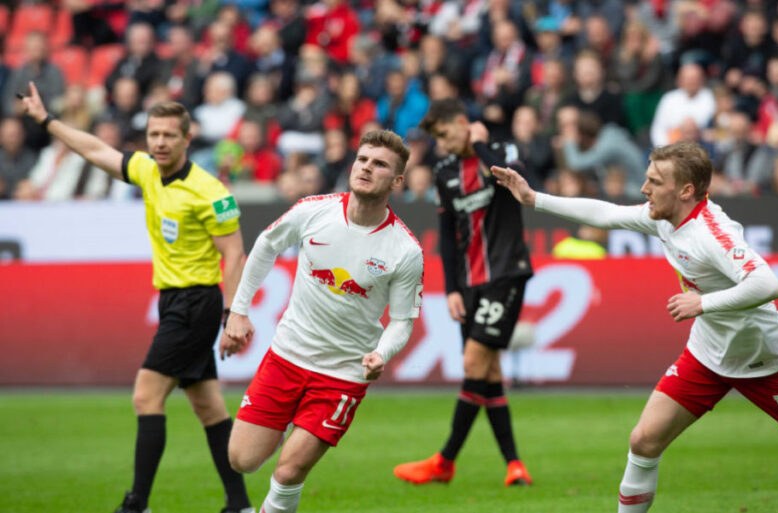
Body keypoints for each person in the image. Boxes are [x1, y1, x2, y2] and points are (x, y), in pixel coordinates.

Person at [491, 141, 778, 511]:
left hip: (764, 359)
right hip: (707, 355)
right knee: (644, 440)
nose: (644, 189)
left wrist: (703, 303)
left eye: (654, 181)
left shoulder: (712, 233)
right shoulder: (662, 217)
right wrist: (534, 198)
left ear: (685, 190)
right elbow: (607, 214)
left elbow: (768, 284)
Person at [18, 82, 253, 513]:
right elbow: (95, 150)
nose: (159, 142)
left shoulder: (211, 192)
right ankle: (238, 504)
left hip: (196, 303)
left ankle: (136, 504)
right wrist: (47, 120)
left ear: (187, 139)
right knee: (208, 407)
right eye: (153, 134)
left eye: (168, 135)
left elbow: (235, 253)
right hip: (174, 302)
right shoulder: (146, 170)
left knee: (146, 396)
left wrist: (233, 314)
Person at [223, 130, 424, 513]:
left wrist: (382, 354)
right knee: (241, 459)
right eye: (363, 159)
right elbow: (266, 245)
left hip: (342, 373)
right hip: (286, 357)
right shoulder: (314, 210)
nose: (367, 167)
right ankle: (289, 424)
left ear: (397, 181)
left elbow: (402, 321)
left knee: (288, 470)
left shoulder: (405, 249)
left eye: (380, 164)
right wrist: (238, 308)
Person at [393, 98, 534, 487]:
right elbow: (448, 236)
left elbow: (521, 185)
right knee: (488, 372)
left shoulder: (501, 151)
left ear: (462, 123)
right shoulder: (444, 172)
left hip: (505, 274)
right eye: (437, 139)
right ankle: (514, 464)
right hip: (469, 284)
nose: (442, 144)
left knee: (473, 363)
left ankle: (444, 461)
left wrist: (481, 144)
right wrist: (452, 289)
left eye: (445, 134)